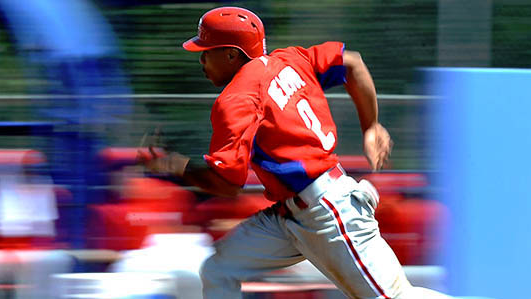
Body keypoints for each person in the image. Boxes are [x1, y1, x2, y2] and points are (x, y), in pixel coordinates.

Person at [140, 6, 452, 299]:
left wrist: (176, 166)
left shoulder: (236, 98)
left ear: (232, 54)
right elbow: (351, 61)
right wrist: (370, 126)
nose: (201, 61)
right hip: (291, 215)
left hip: (328, 212)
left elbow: (228, 184)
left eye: (206, 53)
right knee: (218, 269)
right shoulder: (290, 59)